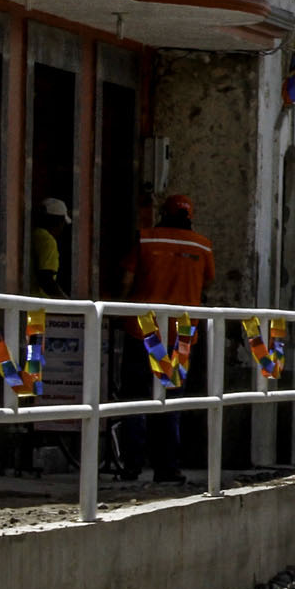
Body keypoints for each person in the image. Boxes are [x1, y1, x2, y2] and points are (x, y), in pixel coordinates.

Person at [119, 194, 215, 484]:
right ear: (190, 216)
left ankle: (132, 465)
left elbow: (125, 281)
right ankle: (167, 467)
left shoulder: (145, 239)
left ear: (163, 213)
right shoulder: (203, 246)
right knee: (171, 400)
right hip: (183, 333)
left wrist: (116, 311)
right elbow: (206, 282)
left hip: (144, 329)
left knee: (136, 398)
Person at [32, 199, 71, 296]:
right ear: (58, 221)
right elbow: (46, 279)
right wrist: (67, 305)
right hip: (38, 306)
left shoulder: (34, 235)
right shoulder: (48, 241)